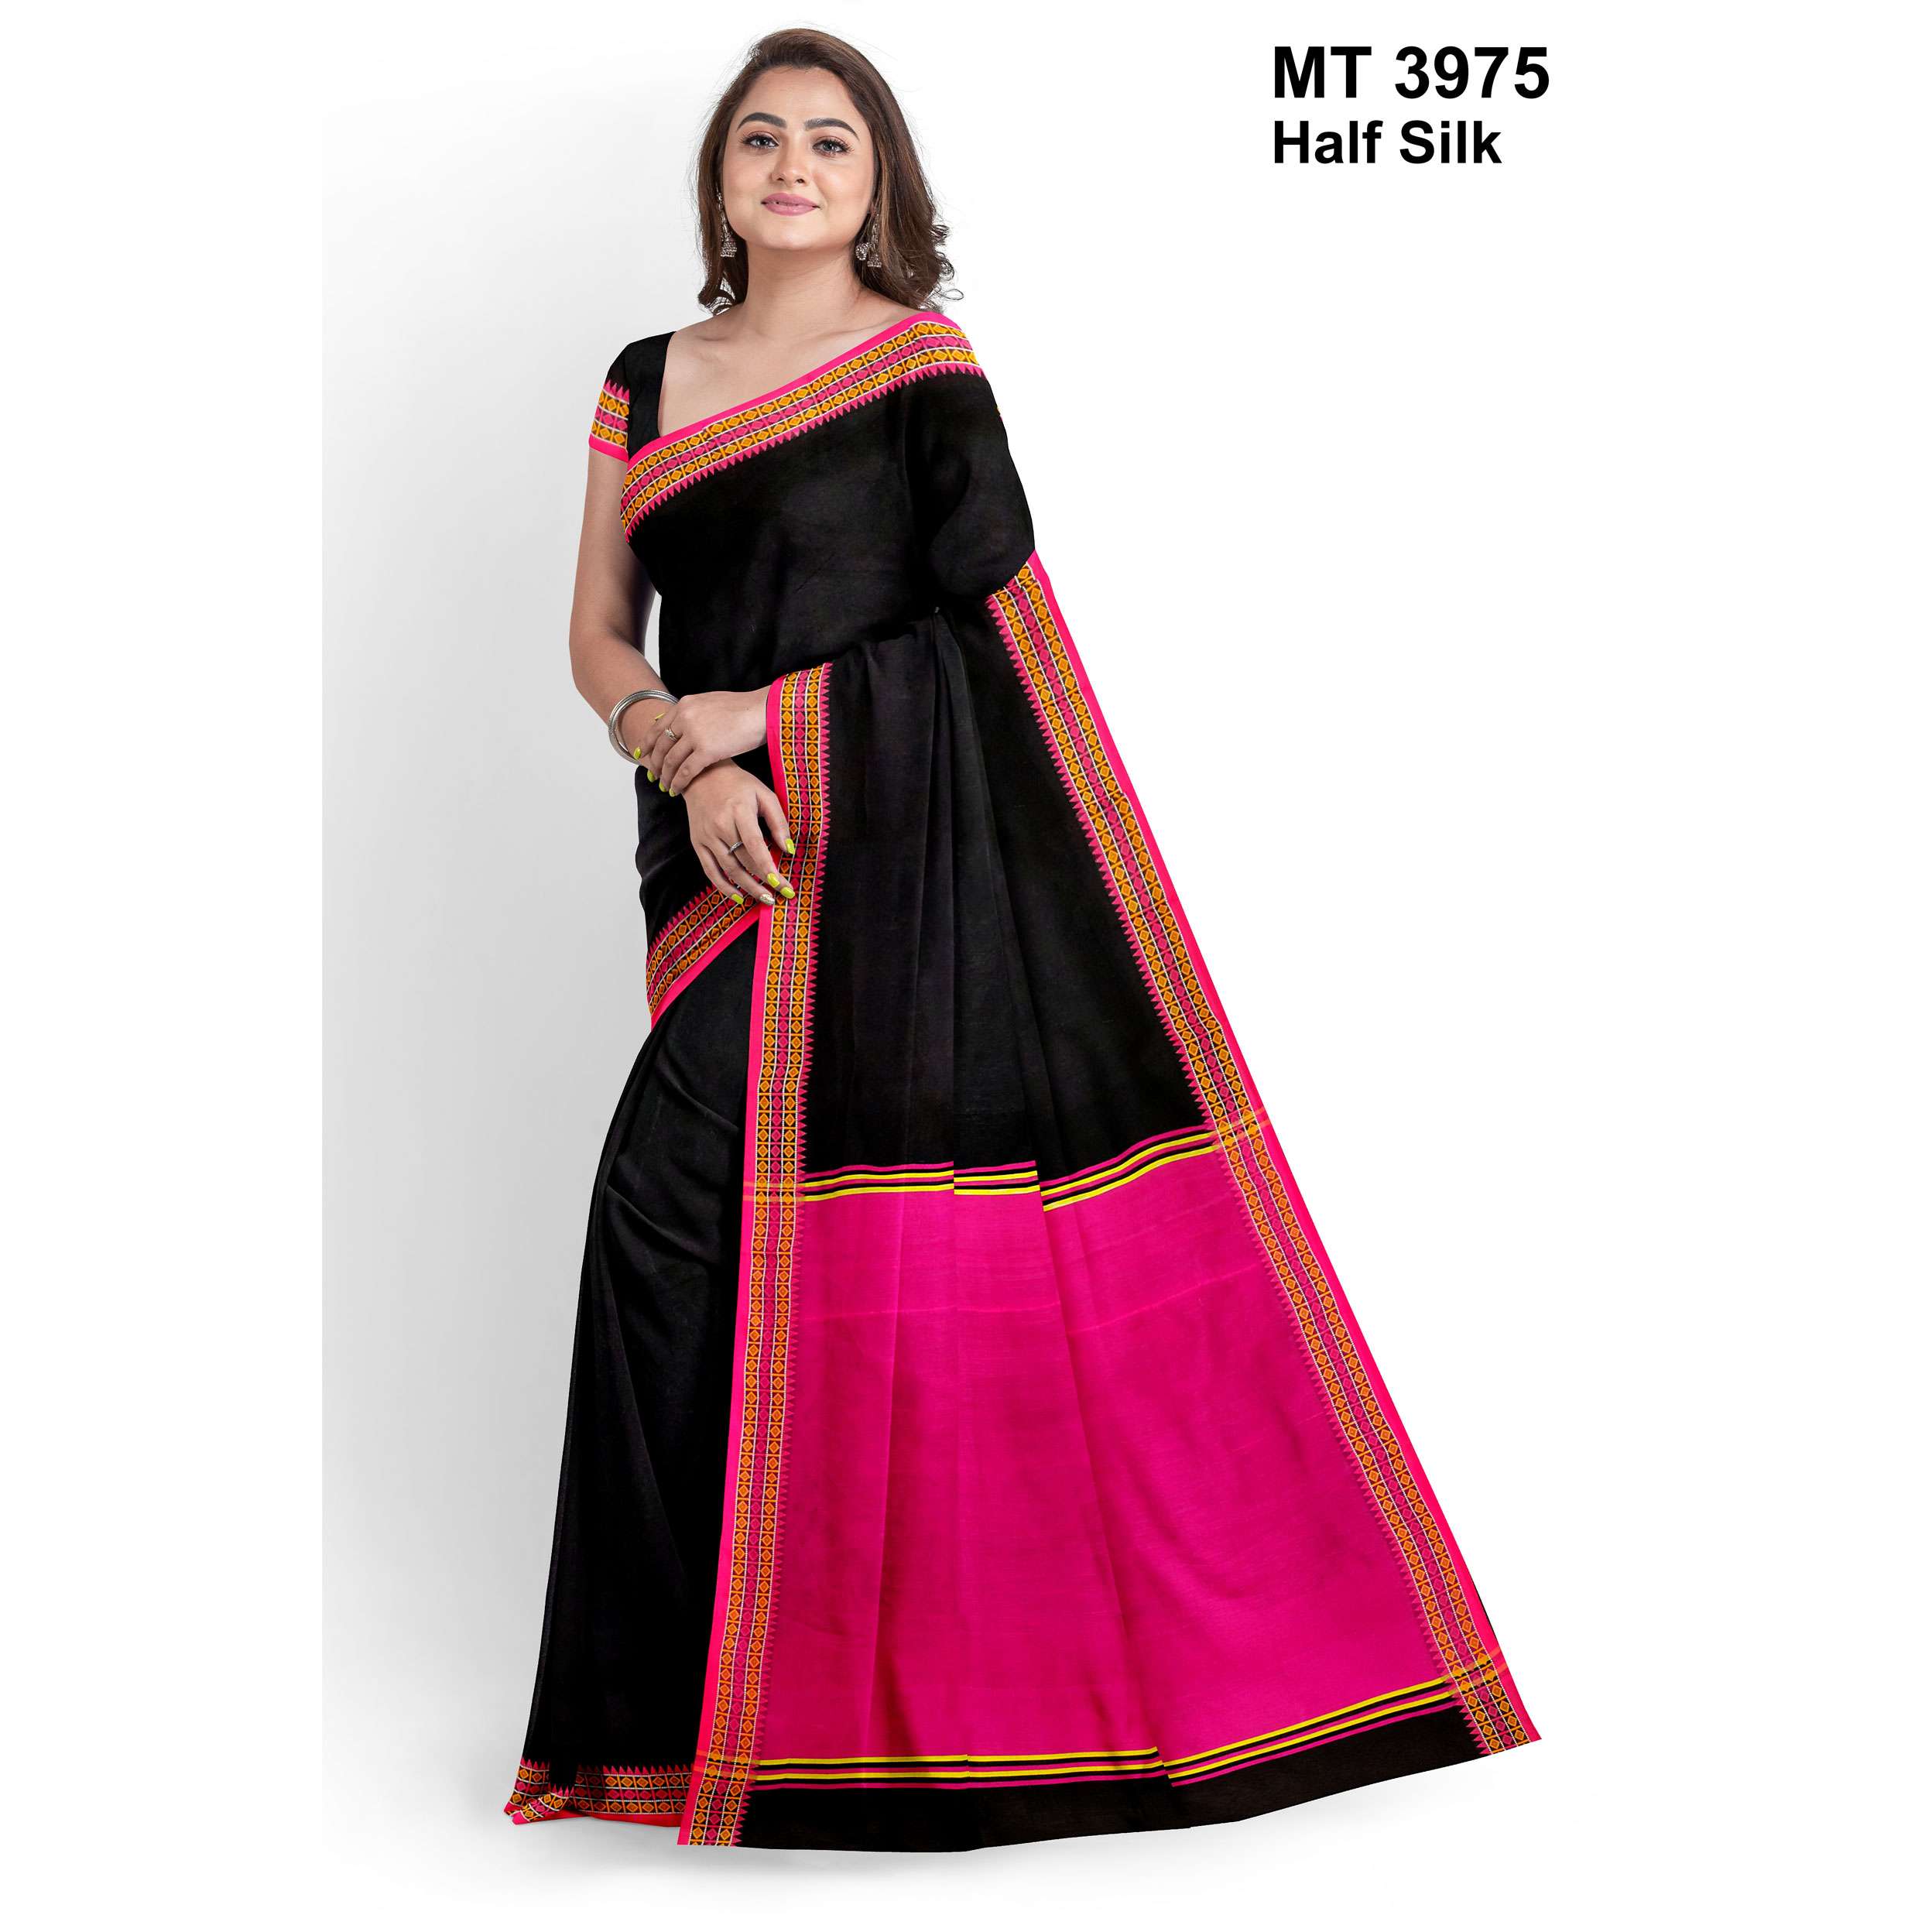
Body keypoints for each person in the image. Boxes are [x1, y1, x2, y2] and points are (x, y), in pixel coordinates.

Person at [506, 26, 1539, 1855]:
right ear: (721, 177)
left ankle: (892, 1700)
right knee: (668, 1231)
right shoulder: (644, 378)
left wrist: (777, 724)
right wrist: (685, 748)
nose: (795, 164)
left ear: (881, 183)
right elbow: (600, 632)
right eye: (763, 138)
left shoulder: (920, 368)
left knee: (811, 1238)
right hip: (716, 851)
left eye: (834, 140)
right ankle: (656, 1720)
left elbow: (988, 636)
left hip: (902, 858)